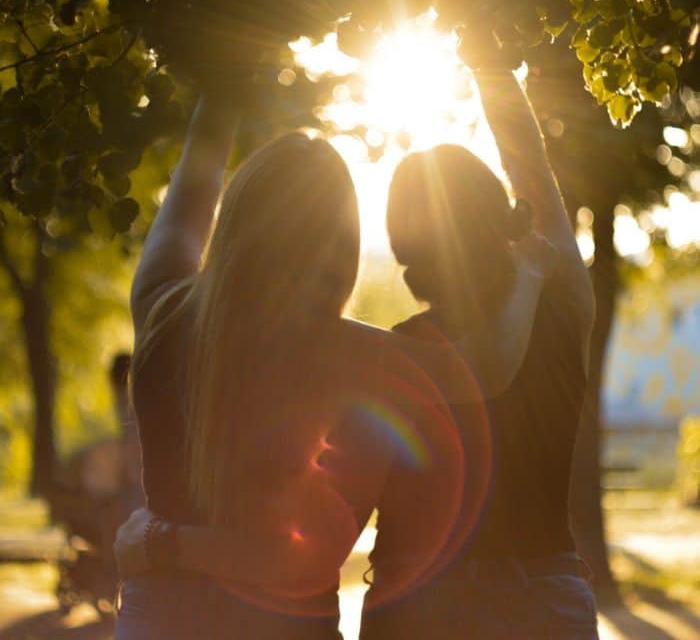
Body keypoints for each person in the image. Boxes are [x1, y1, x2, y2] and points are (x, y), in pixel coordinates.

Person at [113, 93, 553, 639]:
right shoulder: (343, 352)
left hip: (157, 619)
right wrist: (531, 274)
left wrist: (220, 88)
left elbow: (194, 183)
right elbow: (486, 368)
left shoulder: (161, 306)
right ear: (339, 243)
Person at [358, 43, 598, 638]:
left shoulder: (402, 352)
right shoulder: (563, 307)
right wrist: (493, 64)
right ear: (499, 214)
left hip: (420, 603)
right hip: (544, 601)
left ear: (406, 246)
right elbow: (532, 170)